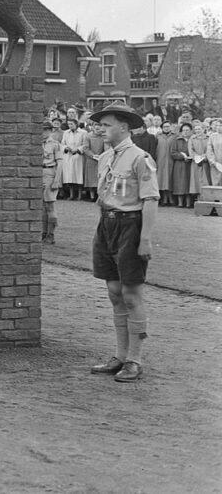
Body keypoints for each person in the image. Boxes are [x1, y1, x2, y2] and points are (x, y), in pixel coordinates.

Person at [87, 102, 158, 383]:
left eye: (106, 125)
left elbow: (151, 199)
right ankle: (119, 354)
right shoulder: (105, 158)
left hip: (131, 225)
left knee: (131, 294)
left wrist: (146, 240)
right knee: (114, 291)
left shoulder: (141, 158)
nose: (100, 129)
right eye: (100, 125)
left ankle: (135, 360)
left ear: (124, 127)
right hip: (107, 225)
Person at [40, 121, 64, 243]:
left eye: (45, 130)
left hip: (50, 173)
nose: (43, 132)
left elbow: (60, 164)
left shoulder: (55, 144)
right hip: (39, 173)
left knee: (50, 206)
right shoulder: (37, 143)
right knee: (42, 206)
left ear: (50, 131)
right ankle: (43, 233)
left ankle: (51, 234)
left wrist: (57, 181)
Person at [60, 118, 88, 200]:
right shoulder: (66, 133)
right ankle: (71, 195)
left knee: (78, 175)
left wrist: (78, 149)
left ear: (76, 124)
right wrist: (66, 148)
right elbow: (62, 143)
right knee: (70, 176)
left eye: (72, 124)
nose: (70, 126)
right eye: (69, 124)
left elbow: (85, 144)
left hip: (78, 156)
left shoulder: (83, 132)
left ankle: (79, 195)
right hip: (68, 156)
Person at [170, 123, 193, 208]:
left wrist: (191, 157)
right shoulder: (177, 140)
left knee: (188, 182)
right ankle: (180, 202)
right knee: (179, 182)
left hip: (190, 164)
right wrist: (182, 157)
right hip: (179, 164)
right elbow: (173, 153)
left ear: (191, 131)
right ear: (181, 131)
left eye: (187, 130)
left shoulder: (193, 139)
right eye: (184, 130)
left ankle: (188, 203)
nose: (185, 132)